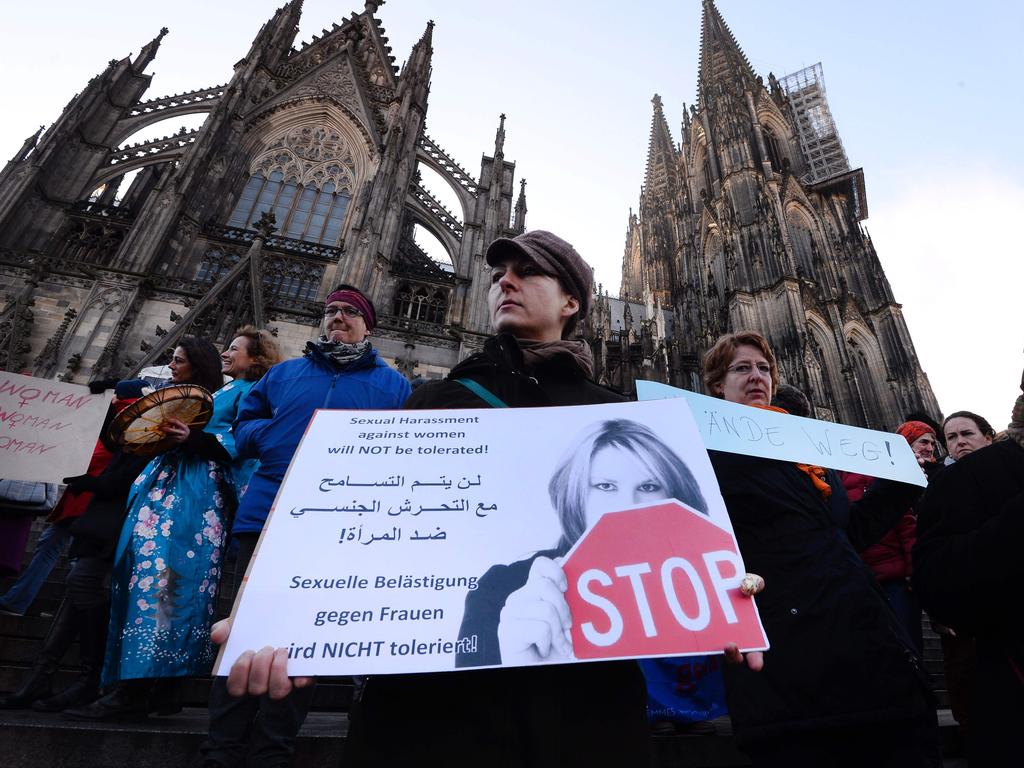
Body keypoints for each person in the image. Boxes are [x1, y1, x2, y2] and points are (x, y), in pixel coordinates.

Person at [212, 231, 760, 767]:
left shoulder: (616, 417)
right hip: (432, 709)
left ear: (572, 301)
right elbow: (355, 520)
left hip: (583, 709)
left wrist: (724, 598)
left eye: (528, 272)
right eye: (498, 275)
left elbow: (667, 536)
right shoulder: (436, 399)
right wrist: (276, 608)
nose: (506, 282)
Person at [703, 330, 940, 768]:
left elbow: (841, 534)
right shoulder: (706, 453)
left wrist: (899, 485)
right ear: (718, 385)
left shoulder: (809, 453)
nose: (757, 376)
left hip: (861, 636)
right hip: (786, 645)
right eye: (742, 368)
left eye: (764, 368)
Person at [199, 286, 410, 768]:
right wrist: (271, 438)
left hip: (339, 528)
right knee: (242, 635)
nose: (339, 317)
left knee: (303, 644)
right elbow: (245, 424)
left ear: (368, 325)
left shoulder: (394, 386)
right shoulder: (283, 373)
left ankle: (273, 750)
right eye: (332, 310)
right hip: (268, 514)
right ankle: (221, 749)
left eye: (350, 312)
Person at [66, 336, 255, 720]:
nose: (172, 365)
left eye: (179, 360)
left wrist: (194, 439)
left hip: (194, 497)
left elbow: (243, 443)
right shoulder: (191, 389)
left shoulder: (244, 391)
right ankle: (156, 687)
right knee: (148, 581)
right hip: (163, 487)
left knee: (163, 584)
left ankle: (138, 691)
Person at [456, 418, 709, 668]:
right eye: (606, 486)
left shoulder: (706, 576)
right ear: (574, 496)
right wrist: (520, 665)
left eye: (649, 486)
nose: (628, 506)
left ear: (674, 497)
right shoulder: (504, 589)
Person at [0, 381, 151, 711]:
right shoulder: (124, 420)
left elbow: (108, 464)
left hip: (100, 511)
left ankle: (74, 676)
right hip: (90, 507)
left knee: (75, 578)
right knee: (72, 580)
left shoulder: (136, 422)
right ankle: (47, 675)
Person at [843, 420, 939, 658]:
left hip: (890, 575)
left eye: (932, 443)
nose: (929, 447)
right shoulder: (845, 479)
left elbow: (906, 526)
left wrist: (912, 570)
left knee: (904, 646)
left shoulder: (887, 478)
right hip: (863, 573)